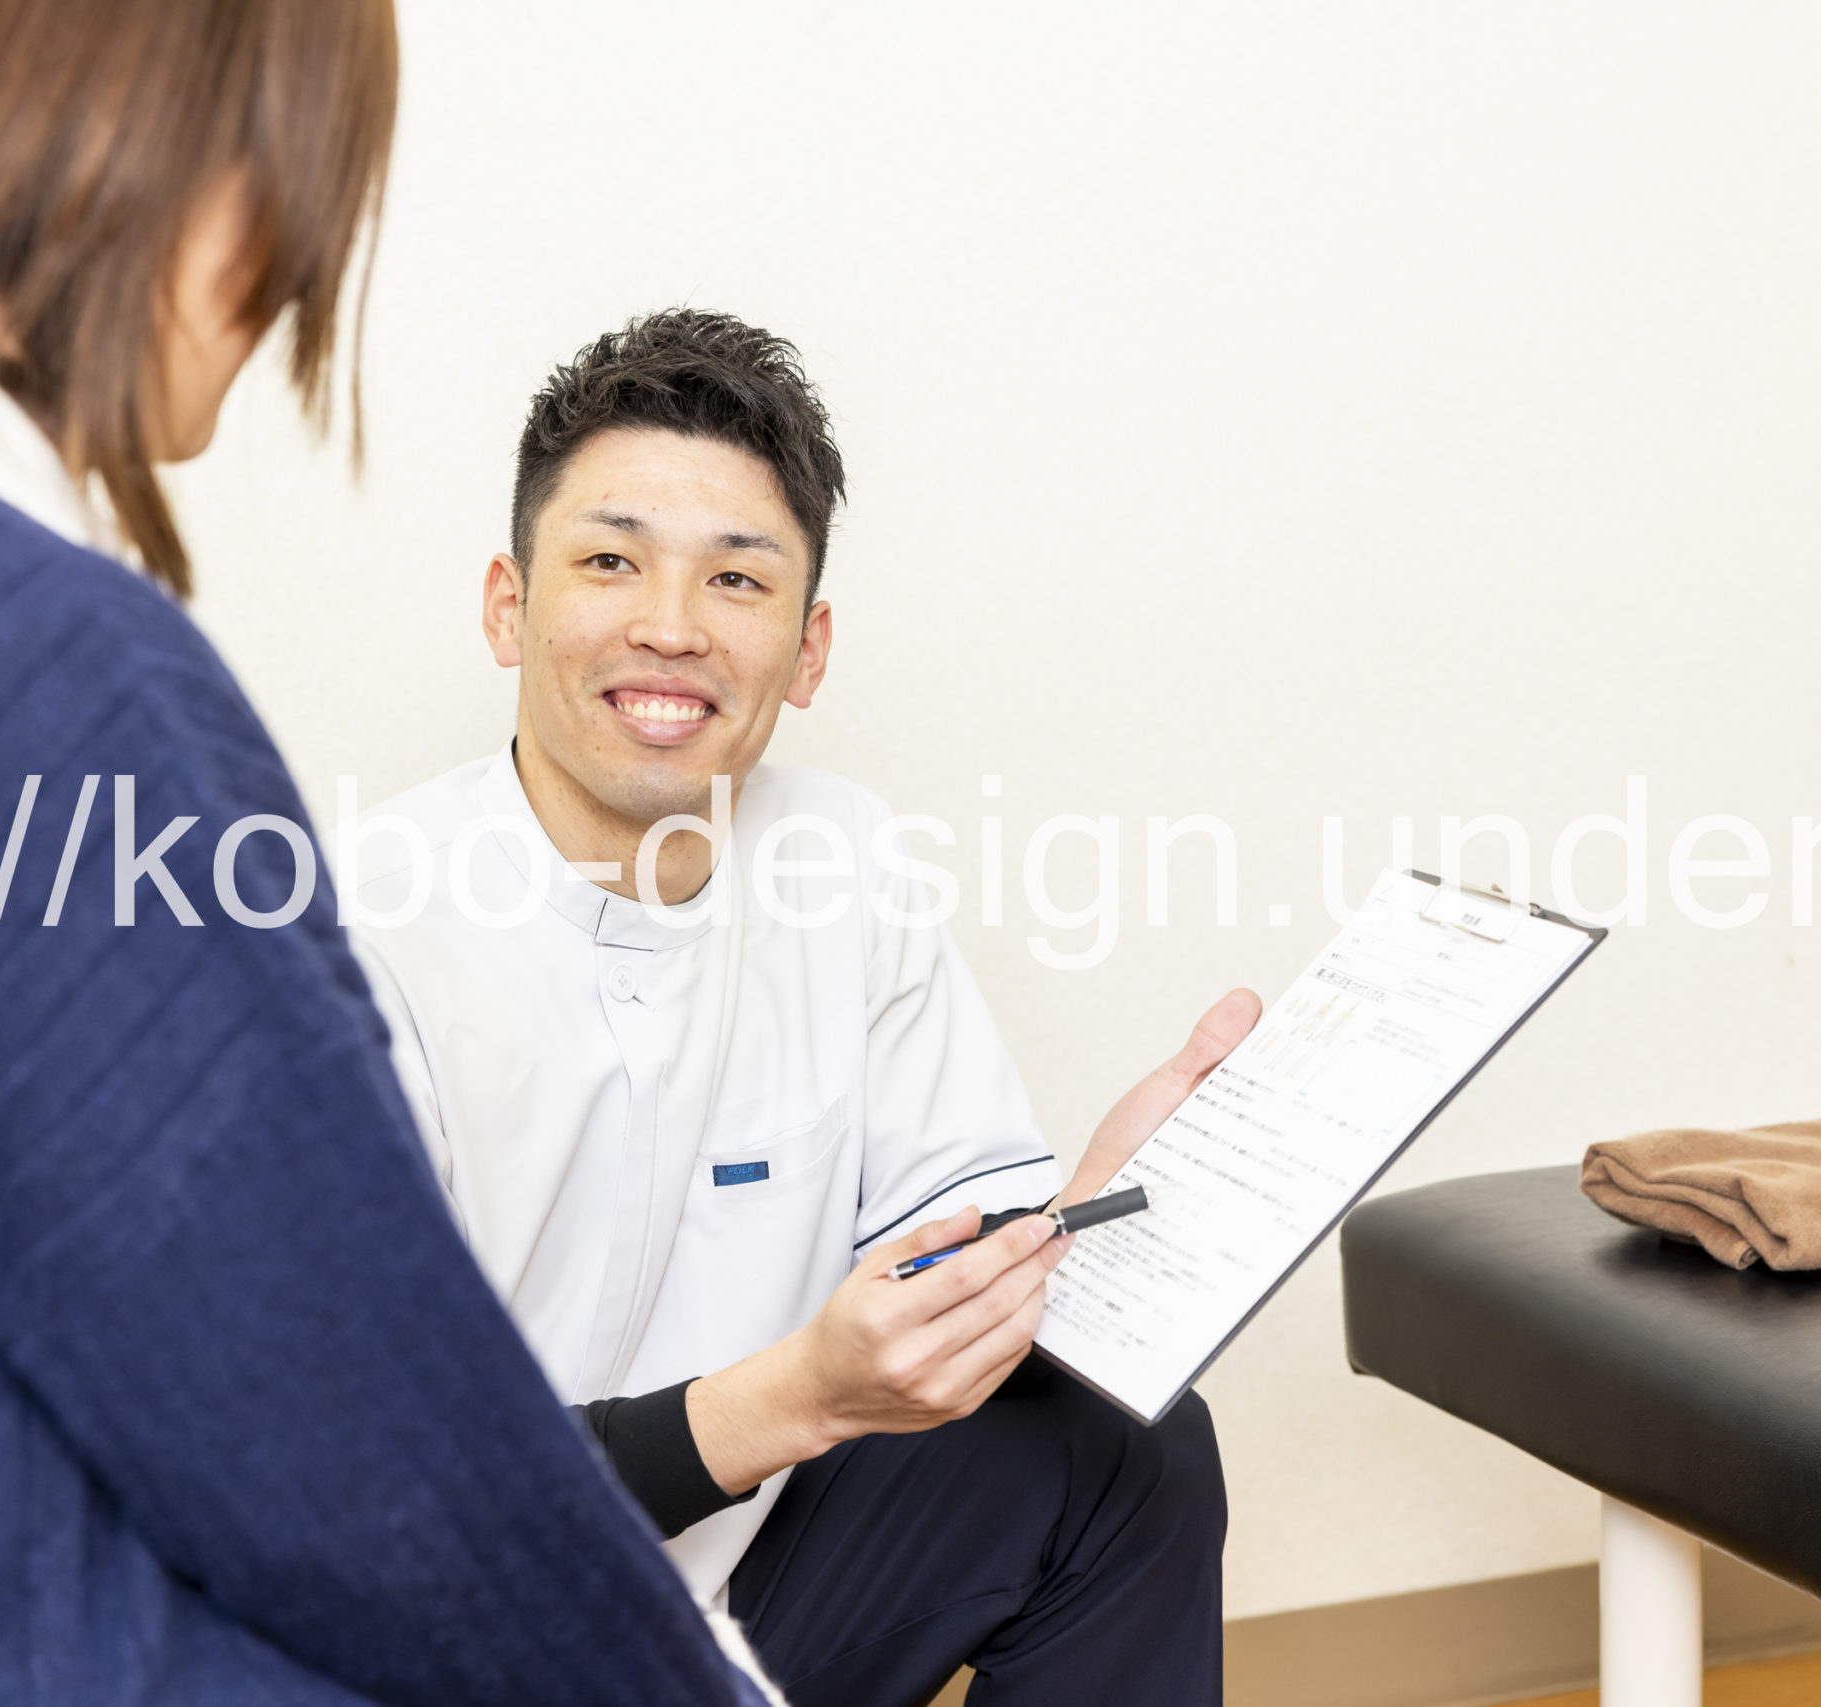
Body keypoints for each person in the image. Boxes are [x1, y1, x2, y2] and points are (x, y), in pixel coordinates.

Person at [0, 5, 774, 1704]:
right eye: (293, 182)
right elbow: (368, 1446)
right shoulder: (36, 666)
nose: (294, 279)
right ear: (157, 159)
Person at [351, 308, 1258, 1707]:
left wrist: (1084, 1215)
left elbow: (944, 1256)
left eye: (736, 579)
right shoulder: (348, 945)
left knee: (1120, 1443)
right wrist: (799, 1397)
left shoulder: (840, 858)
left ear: (809, 648)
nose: (670, 628)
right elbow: (375, 1499)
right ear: (507, 608)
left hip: (726, 1595)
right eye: (610, 560)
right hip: (424, 1649)